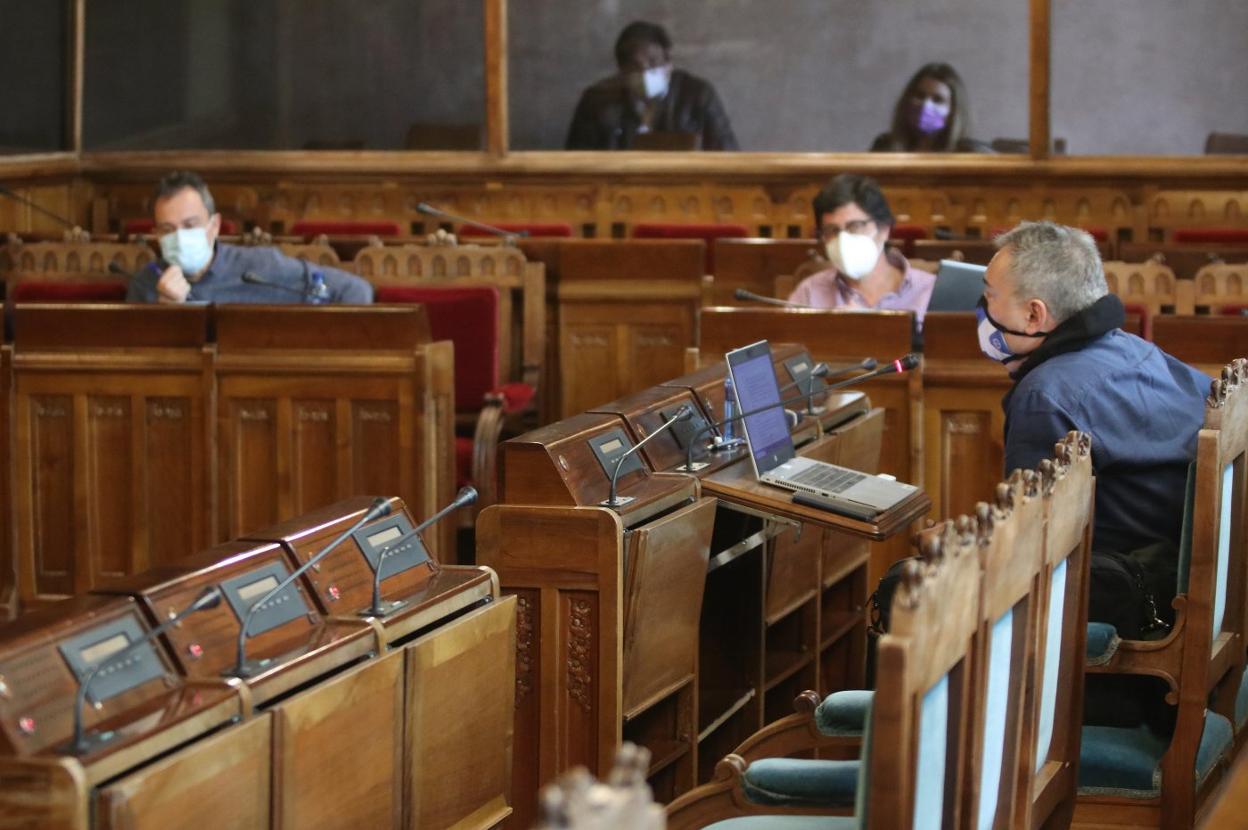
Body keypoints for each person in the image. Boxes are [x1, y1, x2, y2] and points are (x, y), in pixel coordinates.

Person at [980, 221, 1211, 733]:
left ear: (1034, 314)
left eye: (991, 297)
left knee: (914, 595)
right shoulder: (1138, 352)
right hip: (1183, 594)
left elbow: (1027, 551)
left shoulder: (1046, 394)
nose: (984, 310)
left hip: (1115, 627)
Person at [126, 171, 373, 304]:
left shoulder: (262, 268)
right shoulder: (145, 284)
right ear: (156, 235)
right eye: (168, 230)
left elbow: (355, 290)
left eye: (191, 225)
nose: (180, 238)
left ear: (214, 226)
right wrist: (163, 318)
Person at [787, 174, 936, 328]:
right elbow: (786, 348)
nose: (843, 239)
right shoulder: (810, 292)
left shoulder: (930, 292)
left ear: (883, 229)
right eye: (832, 230)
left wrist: (867, 330)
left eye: (855, 226)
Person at [565, 21, 738, 151]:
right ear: (621, 71)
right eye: (635, 67)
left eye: (654, 62)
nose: (646, 73)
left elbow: (729, 156)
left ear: (669, 62)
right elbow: (574, 164)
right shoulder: (595, 101)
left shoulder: (698, 95)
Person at [870, 63, 989, 153]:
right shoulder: (885, 146)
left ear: (953, 111)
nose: (925, 105)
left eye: (938, 100)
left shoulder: (967, 153)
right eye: (919, 96)